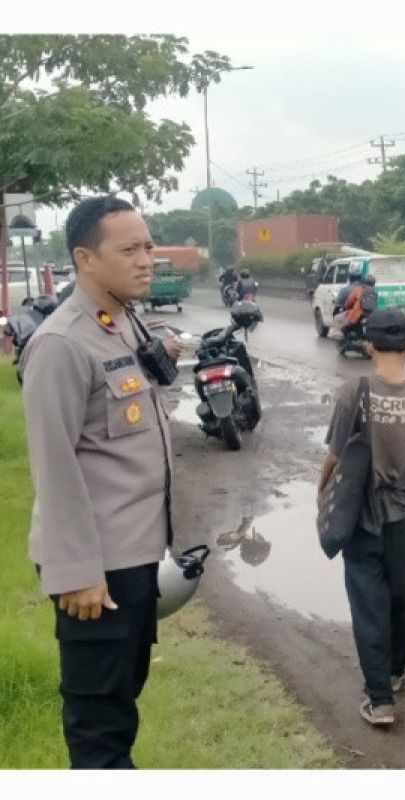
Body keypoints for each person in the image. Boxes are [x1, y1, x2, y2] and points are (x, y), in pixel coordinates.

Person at [20, 194, 182, 768]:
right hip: (98, 573)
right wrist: (78, 575)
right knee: (98, 730)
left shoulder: (121, 321)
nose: (147, 259)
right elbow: (54, 466)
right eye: (130, 249)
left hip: (136, 558)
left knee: (121, 703)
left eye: (149, 246)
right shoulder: (62, 343)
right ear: (86, 259)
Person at [319, 308, 405, 727]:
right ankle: (392, 673)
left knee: (369, 605)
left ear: (370, 345)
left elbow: (335, 457)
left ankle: (380, 700)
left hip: (362, 519)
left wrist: (322, 494)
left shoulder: (352, 391)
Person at [341, 273, 376, 340]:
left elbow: (349, 300)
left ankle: (346, 341)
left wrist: (345, 305)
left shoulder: (358, 289)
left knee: (344, 326)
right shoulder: (374, 291)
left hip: (358, 314)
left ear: (364, 281)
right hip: (371, 315)